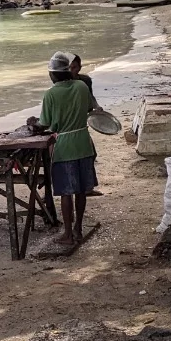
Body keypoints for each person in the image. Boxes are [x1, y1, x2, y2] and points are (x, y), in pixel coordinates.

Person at [39, 51, 98, 247]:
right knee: (81, 190)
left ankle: (67, 234)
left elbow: (47, 124)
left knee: (66, 192)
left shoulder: (51, 94)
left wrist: (35, 123)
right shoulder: (81, 86)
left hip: (64, 146)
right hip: (83, 142)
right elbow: (90, 108)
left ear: (53, 74)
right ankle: (78, 229)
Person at [70, 54, 104, 197]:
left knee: (91, 154)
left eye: (74, 67)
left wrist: (97, 107)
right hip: (71, 124)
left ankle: (88, 188)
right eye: (69, 67)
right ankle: (81, 187)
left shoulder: (85, 81)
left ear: (80, 67)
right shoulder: (62, 82)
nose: (71, 70)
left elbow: (91, 97)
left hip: (82, 122)